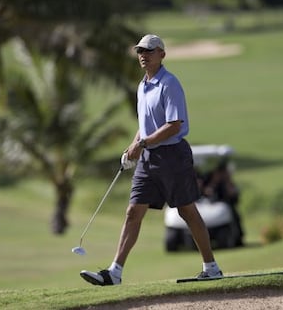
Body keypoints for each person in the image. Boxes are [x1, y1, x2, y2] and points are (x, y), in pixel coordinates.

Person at [80, 34, 223, 286]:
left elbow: (173, 125)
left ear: (162, 55)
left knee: (186, 211)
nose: (143, 55)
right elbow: (145, 125)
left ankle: (211, 267)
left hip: (173, 156)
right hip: (148, 158)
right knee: (133, 211)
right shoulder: (142, 86)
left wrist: (143, 143)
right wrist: (133, 146)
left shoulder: (170, 84)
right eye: (139, 51)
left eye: (148, 50)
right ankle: (114, 272)